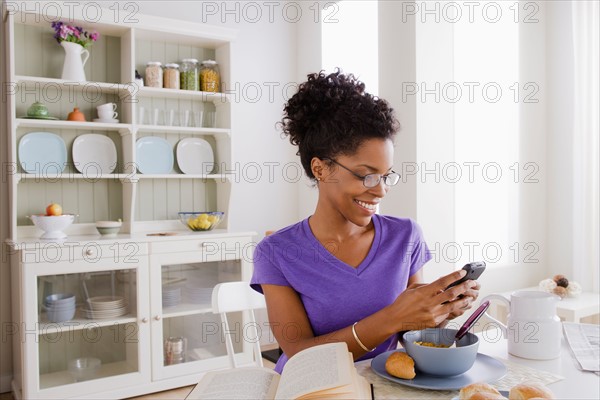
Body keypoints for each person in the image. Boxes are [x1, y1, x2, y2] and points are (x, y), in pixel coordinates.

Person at [250, 70, 480, 373]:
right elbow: (299, 353)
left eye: (386, 176)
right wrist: (393, 317)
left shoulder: (405, 236)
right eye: (366, 175)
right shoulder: (277, 251)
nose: (380, 190)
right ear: (320, 169)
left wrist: (440, 310)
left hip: (380, 381)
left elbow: (408, 331)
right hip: (310, 385)